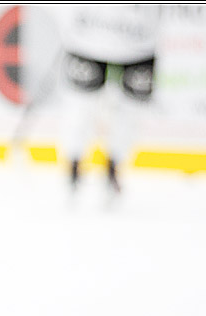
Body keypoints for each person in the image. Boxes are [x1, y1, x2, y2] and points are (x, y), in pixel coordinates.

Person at [55, 4, 161, 196]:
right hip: (89, 39)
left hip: (138, 41)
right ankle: (74, 165)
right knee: (81, 106)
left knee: (130, 111)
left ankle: (113, 166)